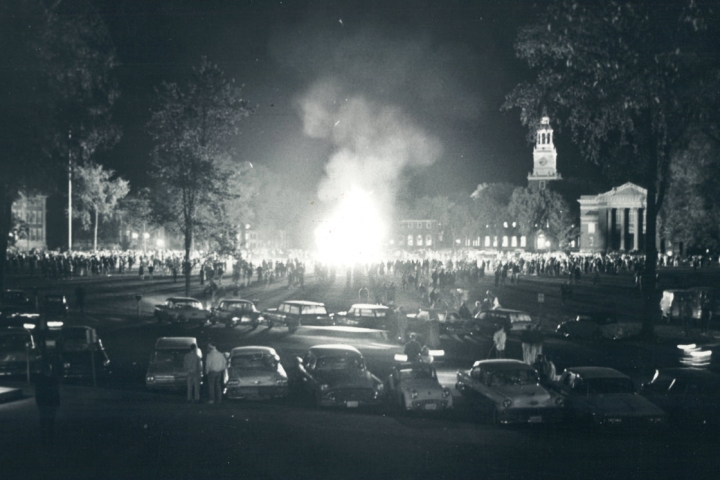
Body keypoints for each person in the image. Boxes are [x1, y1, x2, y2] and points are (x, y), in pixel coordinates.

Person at [35, 362, 60, 447]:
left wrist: (38, 402)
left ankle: (44, 439)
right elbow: (55, 392)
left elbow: (38, 392)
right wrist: (57, 402)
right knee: (51, 421)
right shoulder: (53, 380)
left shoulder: (39, 380)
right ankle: (50, 439)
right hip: (51, 403)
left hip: (43, 403)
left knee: (43, 421)